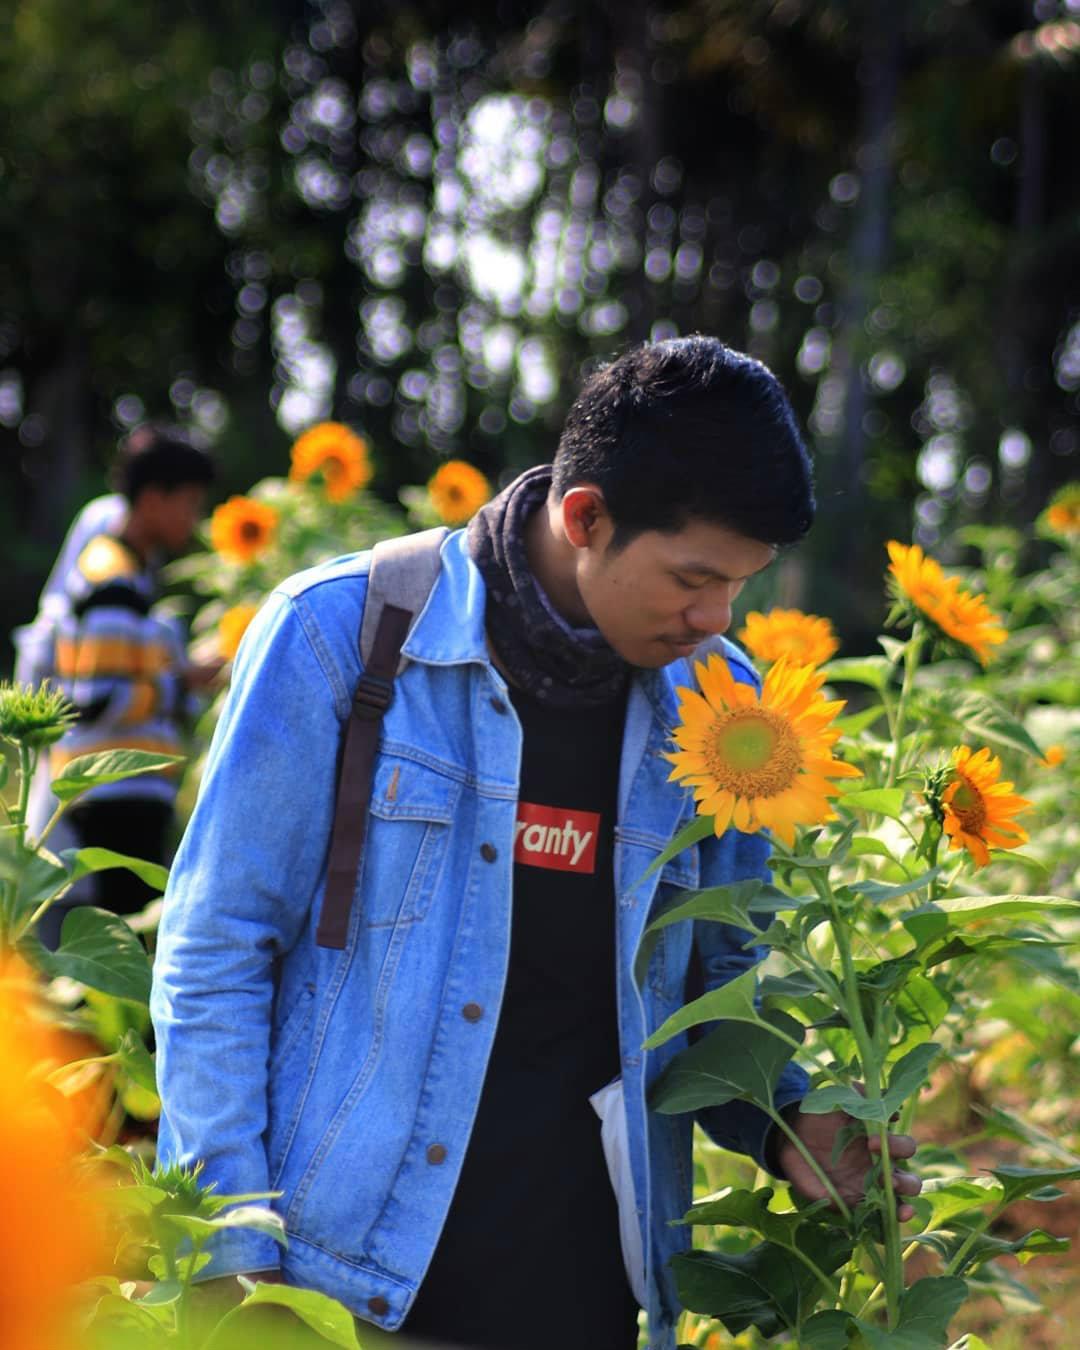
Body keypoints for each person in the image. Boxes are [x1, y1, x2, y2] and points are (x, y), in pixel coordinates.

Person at [151, 338, 919, 1350]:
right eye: (693, 578)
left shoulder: (724, 708)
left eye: (740, 585)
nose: (716, 619)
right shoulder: (345, 637)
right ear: (586, 516)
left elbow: (723, 984)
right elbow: (215, 950)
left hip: (589, 1300)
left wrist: (792, 1125)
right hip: (342, 1291)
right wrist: (225, 1245)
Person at [17, 424, 219, 947]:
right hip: (114, 795)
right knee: (122, 949)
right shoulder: (113, 581)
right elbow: (96, 698)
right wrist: (179, 684)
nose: (194, 520)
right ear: (153, 499)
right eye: (190, 503)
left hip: (122, 794)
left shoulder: (130, 575)